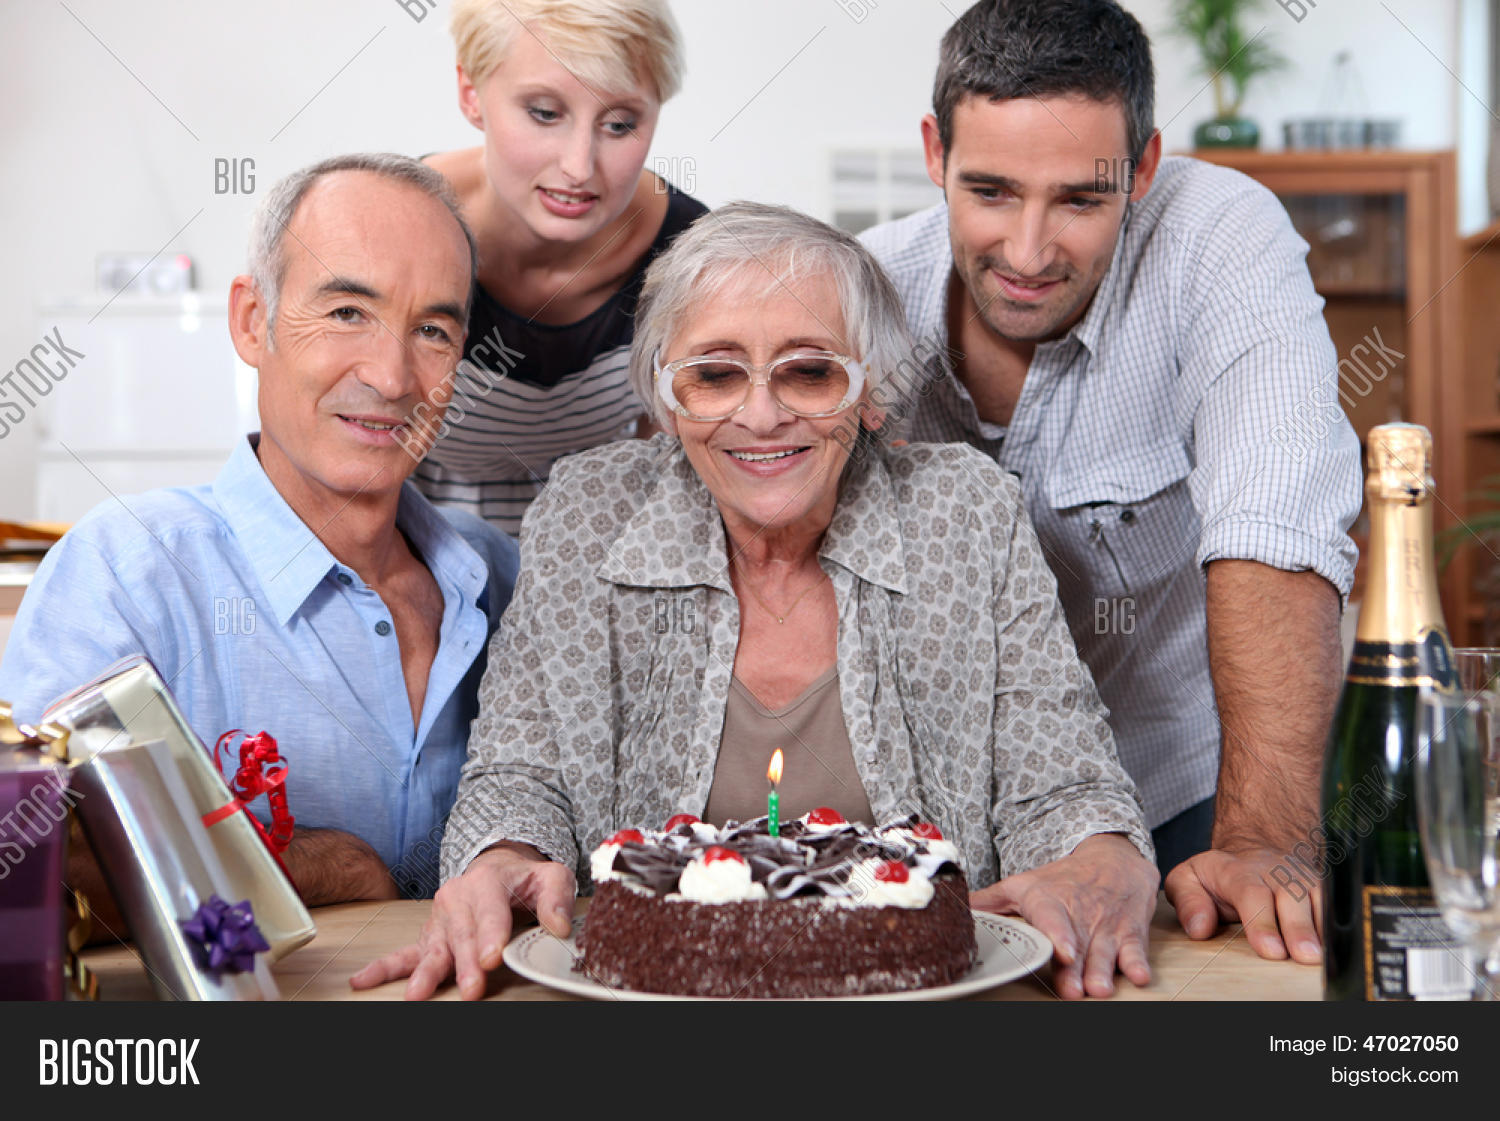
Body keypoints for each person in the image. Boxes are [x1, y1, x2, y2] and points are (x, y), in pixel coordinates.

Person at [352, 201, 1159, 1002]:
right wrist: (502, 861)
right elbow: (519, 778)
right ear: (668, 400)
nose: (763, 415)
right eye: (714, 375)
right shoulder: (588, 515)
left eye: (811, 371)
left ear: (871, 393)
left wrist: (1099, 853)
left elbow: (1062, 783)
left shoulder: (966, 515)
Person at [859, 0, 1361, 963]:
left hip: (1193, 797)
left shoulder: (1219, 236)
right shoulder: (870, 287)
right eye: (991, 190)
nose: (1029, 251)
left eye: (1081, 201)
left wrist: (1262, 841)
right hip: (939, 822)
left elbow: (1275, 524)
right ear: (935, 153)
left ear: (1143, 167)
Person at [0, 154, 520, 906]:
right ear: (252, 320)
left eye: (433, 330)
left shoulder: (499, 574)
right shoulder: (128, 570)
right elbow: (31, 846)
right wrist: (331, 866)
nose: (392, 376)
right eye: (347, 313)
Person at [411, 0, 708, 535]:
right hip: (406, 534)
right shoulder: (396, 229)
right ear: (471, 93)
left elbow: (670, 481)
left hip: (601, 539)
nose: (578, 167)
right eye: (545, 114)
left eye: (619, 124)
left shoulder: (688, 256)